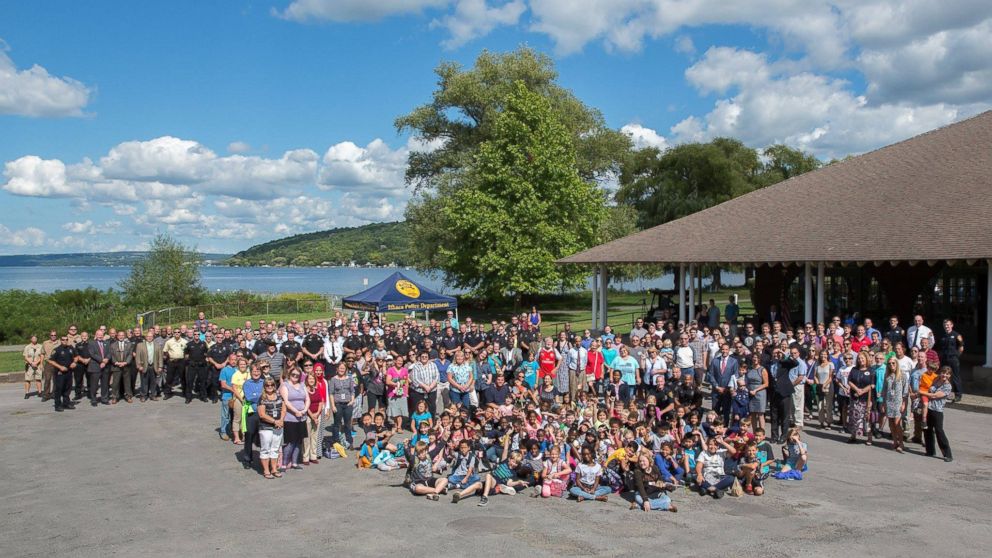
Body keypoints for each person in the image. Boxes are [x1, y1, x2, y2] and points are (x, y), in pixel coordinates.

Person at [279, 368, 310, 470]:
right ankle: (284, 463)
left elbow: (307, 399)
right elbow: (286, 402)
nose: (295, 376)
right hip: (290, 417)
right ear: (289, 374)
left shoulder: (302, 385)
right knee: (290, 441)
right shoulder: (285, 385)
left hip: (302, 417)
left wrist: (304, 410)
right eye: (293, 374)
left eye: (297, 375)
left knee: (299, 440)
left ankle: (295, 462)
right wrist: (296, 411)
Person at [924, 366, 954, 462]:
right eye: (943, 372)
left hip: (938, 411)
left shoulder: (947, 386)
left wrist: (921, 393)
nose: (944, 375)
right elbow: (929, 388)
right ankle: (930, 451)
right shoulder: (936, 380)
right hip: (929, 408)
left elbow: (935, 395)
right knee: (927, 430)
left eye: (947, 374)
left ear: (949, 376)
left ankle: (947, 454)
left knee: (939, 431)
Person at [257, 377, 285, 479]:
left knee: (275, 449)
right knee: (265, 449)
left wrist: (281, 420)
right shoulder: (262, 398)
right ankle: (266, 470)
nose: (270, 387)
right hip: (266, 427)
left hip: (278, 426)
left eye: (272, 385)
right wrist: (274, 421)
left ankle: (274, 469)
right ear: (264, 386)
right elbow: (262, 414)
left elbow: (283, 409)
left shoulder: (279, 396)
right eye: (267, 385)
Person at [846, 352, 874, 445]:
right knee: (854, 417)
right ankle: (853, 435)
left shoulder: (871, 370)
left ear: (866, 359)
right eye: (859, 358)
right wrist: (857, 389)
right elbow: (849, 381)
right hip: (855, 398)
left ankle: (869, 438)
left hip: (866, 398)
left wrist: (862, 391)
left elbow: (872, 385)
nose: (860, 360)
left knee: (867, 418)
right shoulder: (854, 369)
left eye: (862, 358)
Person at [882, 356, 909, 453]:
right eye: (889, 364)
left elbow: (905, 391)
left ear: (897, 364)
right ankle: (895, 441)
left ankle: (901, 442)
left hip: (898, 401)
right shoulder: (888, 376)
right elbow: (884, 391)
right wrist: (883, 403)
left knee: (897, 423)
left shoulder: (902, 375)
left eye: (893, 363)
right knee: (891, 423)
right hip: (889, 401)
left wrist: (903, 404)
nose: (891, 365)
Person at [47, 334, 78, 412]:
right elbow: (50, 360)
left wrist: (74, 362)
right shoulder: (57, 349)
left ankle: (66, 403)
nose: (65, 341)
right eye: (63, 340)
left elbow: (76, 356)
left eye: (66, 339)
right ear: (60, 341)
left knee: (68, 388)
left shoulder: (71, 348)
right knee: (59, 389)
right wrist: (60, 367)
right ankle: (57, 405)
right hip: (60, 373)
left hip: (69, 371)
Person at [935, 319, 964, 402]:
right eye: (945, 325)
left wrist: (956, 356)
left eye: (948, 325)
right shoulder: (943, 336)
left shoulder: (956, 335)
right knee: (944, 376)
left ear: (952, 325)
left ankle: (958, 395)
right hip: (944, 358)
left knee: (955, 376)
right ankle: (945, 392)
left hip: (953, 359)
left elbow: (961, 348)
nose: (946, 326)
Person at [329, 362, 355, 450]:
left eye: (343, 368)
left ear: (345, 369)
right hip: (338, 404)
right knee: (337, 424)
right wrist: (332, 405)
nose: (341, 370)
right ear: (337, 369)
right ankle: (336, 442)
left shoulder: (350, 378)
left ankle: (349, 441)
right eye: (340, 368)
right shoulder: (333, 379)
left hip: (348, 404)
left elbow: (352, 391)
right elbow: (331, 393)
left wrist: (352, 401)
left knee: (348, 424)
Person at [744, 353, 769, 434]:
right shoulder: (749, 369)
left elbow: (766, 384)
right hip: (750, 392)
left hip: (760, 393)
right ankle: (755, 433)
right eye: (753, 357)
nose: (754, 359)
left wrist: (756, 390)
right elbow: (746, 382)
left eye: (756, 357)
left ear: (759, 359)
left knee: (760, 414)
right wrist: (749, 389)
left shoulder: (762, 369)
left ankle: (762, 433)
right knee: (753, 414)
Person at [109, 330, 134, 404]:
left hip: (126, 366)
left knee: (127, 382)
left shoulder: (129, 344)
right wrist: (116, 362)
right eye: (119, 335)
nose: (121, 336)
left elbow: (130, 354)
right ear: (117, 336)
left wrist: (125, 362)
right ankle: (114, 397)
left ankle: (128, 396)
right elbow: (111, 355)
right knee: (115, 383)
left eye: (122, 335)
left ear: (125, 336)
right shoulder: (113, 345)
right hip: (116, 366)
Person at [23, 335, 44, 399]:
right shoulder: (27, 347)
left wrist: (37, 363)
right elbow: (25, 356)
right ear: (30, 339)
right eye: (33, 338)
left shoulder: (40, 346)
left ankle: (40, 392)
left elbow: (42, 356)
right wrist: (32, 363)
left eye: (35, 338)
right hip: (29, 365)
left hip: (38, 365)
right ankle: (27, 393)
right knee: (27, 379)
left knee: (38, 379)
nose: (34, 339)